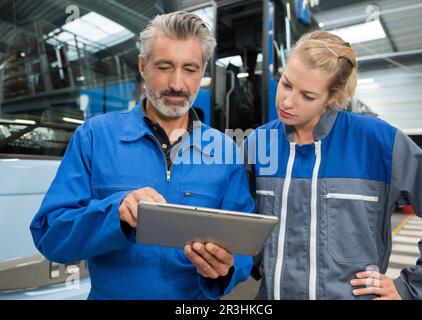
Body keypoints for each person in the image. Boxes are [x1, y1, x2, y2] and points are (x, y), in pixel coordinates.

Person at [30, 11, 254, 300]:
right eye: (164, 67)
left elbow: (243, 246)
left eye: (190, 69)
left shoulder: (225, 151)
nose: (177, 84)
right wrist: (117, 214)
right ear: (142, 65)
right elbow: (51, 236)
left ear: (203, 71)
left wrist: (227, 269)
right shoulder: (95, 137)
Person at [246, 31, 422, 299]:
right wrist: (255, 257)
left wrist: (411, 287)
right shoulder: (258, 143)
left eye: (307, 95)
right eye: (286, 84)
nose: (287, 102)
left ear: (333, 96)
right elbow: (240, 213)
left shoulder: (378, 142)